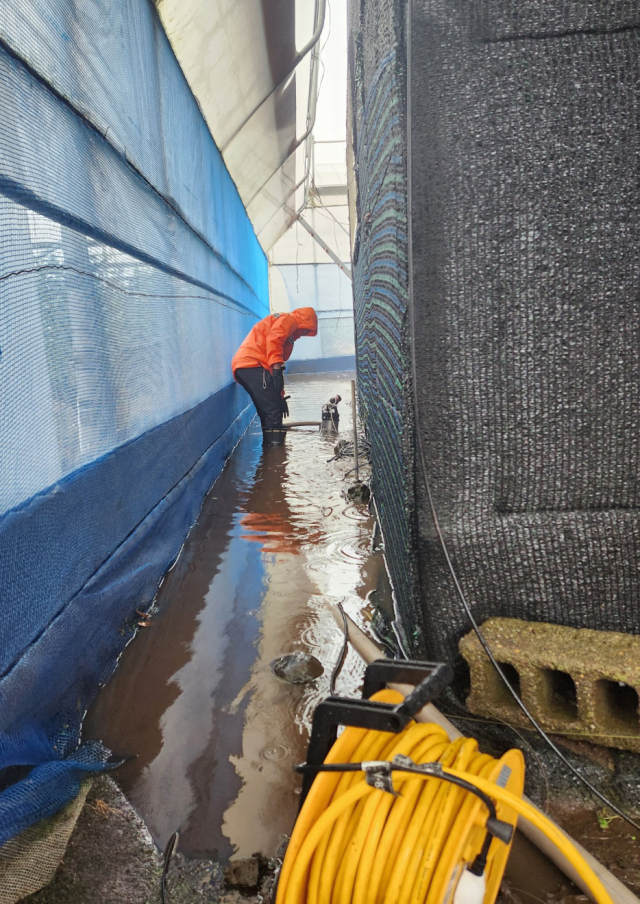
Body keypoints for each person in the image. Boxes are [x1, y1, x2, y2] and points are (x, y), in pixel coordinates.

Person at [231, 307, 318, 445]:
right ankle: (276, 458)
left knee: (267, 411)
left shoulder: (286, 328)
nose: (304, 334)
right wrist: (277, 370)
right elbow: (274, 341)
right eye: (307, 330)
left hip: (248, 366)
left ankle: (269, 458)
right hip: (252, 364)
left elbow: (273, 372)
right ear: (304, 321)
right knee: (273, 412)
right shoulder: (289, 320)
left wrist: (280, 396)